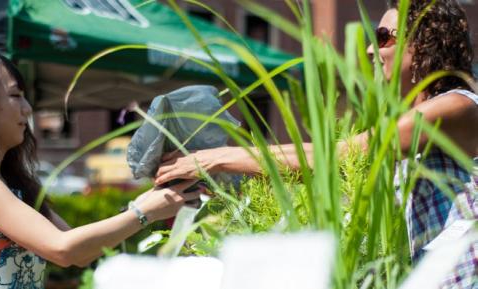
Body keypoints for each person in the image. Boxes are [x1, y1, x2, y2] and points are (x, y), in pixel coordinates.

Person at [155, 0, 477, 287]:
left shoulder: (457, 106)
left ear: (422, 44)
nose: (369, 50)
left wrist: (215, 159)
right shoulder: (410, 135)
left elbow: (336, 155)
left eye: (382, 37)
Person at [0, 50, 203, 289]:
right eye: (15, 95)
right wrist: (145, 212)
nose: (28, 109)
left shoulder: (7, 183)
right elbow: (62, 249)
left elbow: (81, 252)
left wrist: (146, 202)